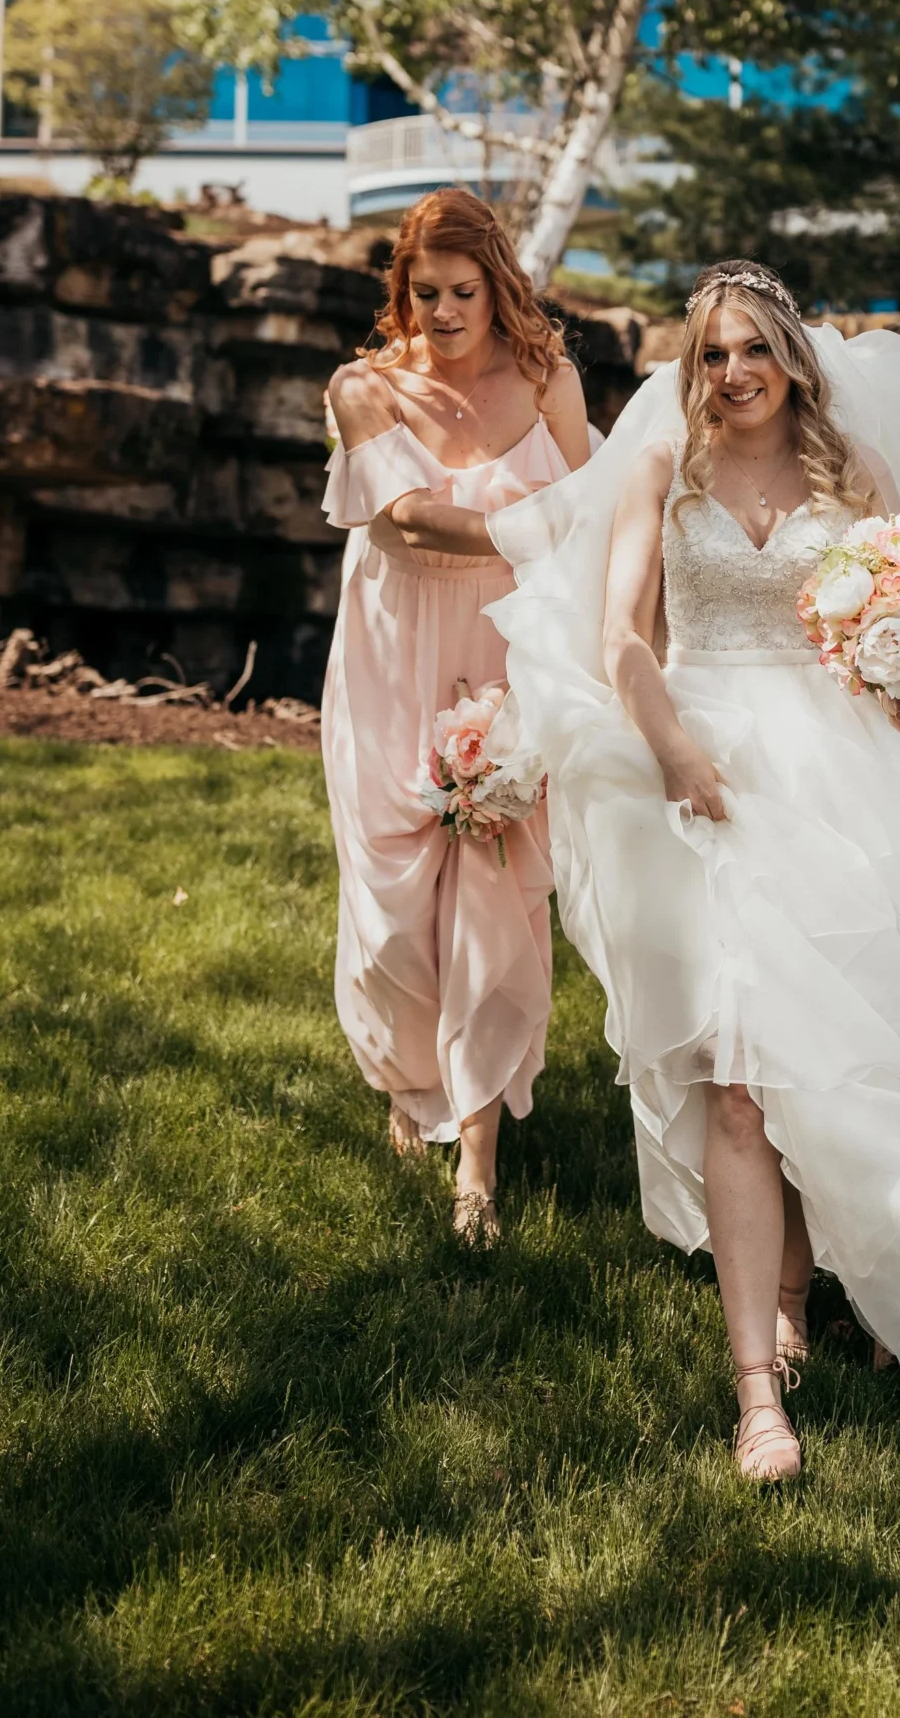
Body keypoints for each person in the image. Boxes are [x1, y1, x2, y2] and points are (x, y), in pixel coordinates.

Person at [489, 259, 900, 1483]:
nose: (733, 372)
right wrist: (675, 752)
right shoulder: (663, 463)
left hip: (841, 776)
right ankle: (757, 1386)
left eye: (754, 349)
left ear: (793, 356)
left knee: (839, 1049)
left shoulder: (855, 470)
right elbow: (621, 637)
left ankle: (819, 1281)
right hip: (703, 774)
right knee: (738, 1079)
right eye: (713, 354)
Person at [321, 187, 592, 1240]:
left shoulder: (549, 379)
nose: (441, 312)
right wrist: (541, 522)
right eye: (424, 291)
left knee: (491, 870)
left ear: (498, 285)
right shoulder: (363, 388)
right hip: (393, 645)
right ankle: (408, 1081)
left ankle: (477, 1152)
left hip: (509, 641)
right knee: (393, 895)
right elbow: (407, 520)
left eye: (463, 292)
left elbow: (600, 518)